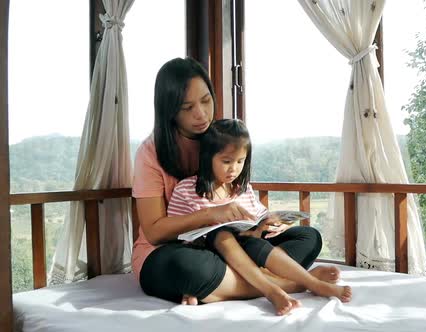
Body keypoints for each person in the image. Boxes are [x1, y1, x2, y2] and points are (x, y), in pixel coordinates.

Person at [132, 57, 341, 310]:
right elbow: (154, 232)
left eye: (206, 101)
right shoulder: (150, 153)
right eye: (187, 107)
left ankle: (220, 287)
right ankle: (293, 283)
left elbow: (244, 201)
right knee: (187, 267)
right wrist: (211, 215)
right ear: (169, 110)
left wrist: (265, 225)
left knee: (308, 237)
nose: (201, 114)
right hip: (175, 250)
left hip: (237, 245)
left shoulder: (220, 139)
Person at [167, 119, 352, 315]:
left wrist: (273, 223)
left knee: (309, 235)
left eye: (240, 161)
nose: (234, 169)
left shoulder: (242, 189)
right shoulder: (186, 190)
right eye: (226, 161)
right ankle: (299, 284)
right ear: (208, 157)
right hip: (218, 260)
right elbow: (175, 236)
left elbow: (259, 215)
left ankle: (260, 281)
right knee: (221, 235)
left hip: (254, 250)